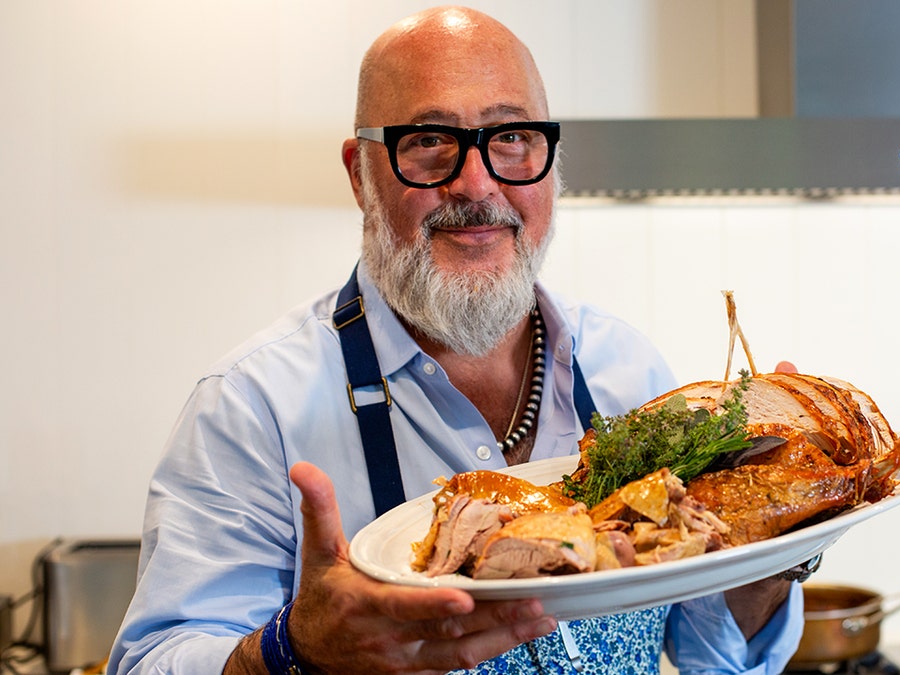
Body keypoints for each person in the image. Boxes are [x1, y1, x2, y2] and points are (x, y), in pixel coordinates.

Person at [108, 6, 808, 674]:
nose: (477, 183)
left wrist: (775, 550)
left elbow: (714, 653)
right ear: (360, 173)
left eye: (511, 136)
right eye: (429, 140)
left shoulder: (628, 371)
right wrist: (297, 652)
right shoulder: (253, 407)